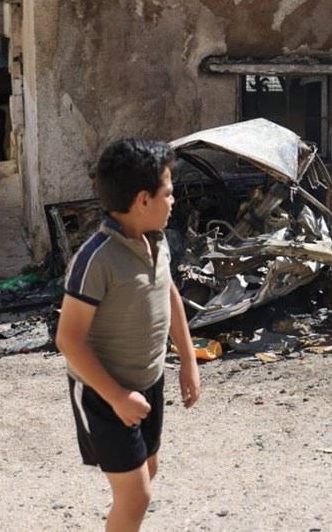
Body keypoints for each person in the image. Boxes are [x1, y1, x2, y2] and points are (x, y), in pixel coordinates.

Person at [55, 138, 200, 532]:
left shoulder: (156, 241)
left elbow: (169, 294)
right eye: (168, 193)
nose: (173, 201)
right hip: (104, 393)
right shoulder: (96, 259)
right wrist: (117, 396)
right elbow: (68, 340)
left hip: (149, 382)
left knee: (148, 471)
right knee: (136, 496)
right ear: (142, 200)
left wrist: (188, 360)